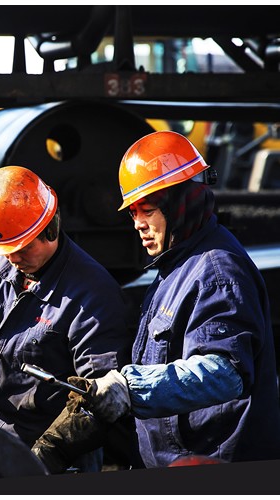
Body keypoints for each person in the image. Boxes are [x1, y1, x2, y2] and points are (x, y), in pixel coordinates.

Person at [34, 130, 280, 470]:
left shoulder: (217, 272)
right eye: (132, 212)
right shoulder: (177, 263)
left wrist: (130, 388)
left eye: (147, 210)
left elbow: (226, 373)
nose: (138, 224)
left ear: (180, 204)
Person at [0, 165, 132, 472]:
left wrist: (49, 451)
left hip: (59, 458)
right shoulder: (1, 266)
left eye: (23, 247)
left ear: (50, 228)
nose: (13, 258)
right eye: (6, 249)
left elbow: (97, 397)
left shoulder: (93, 295)